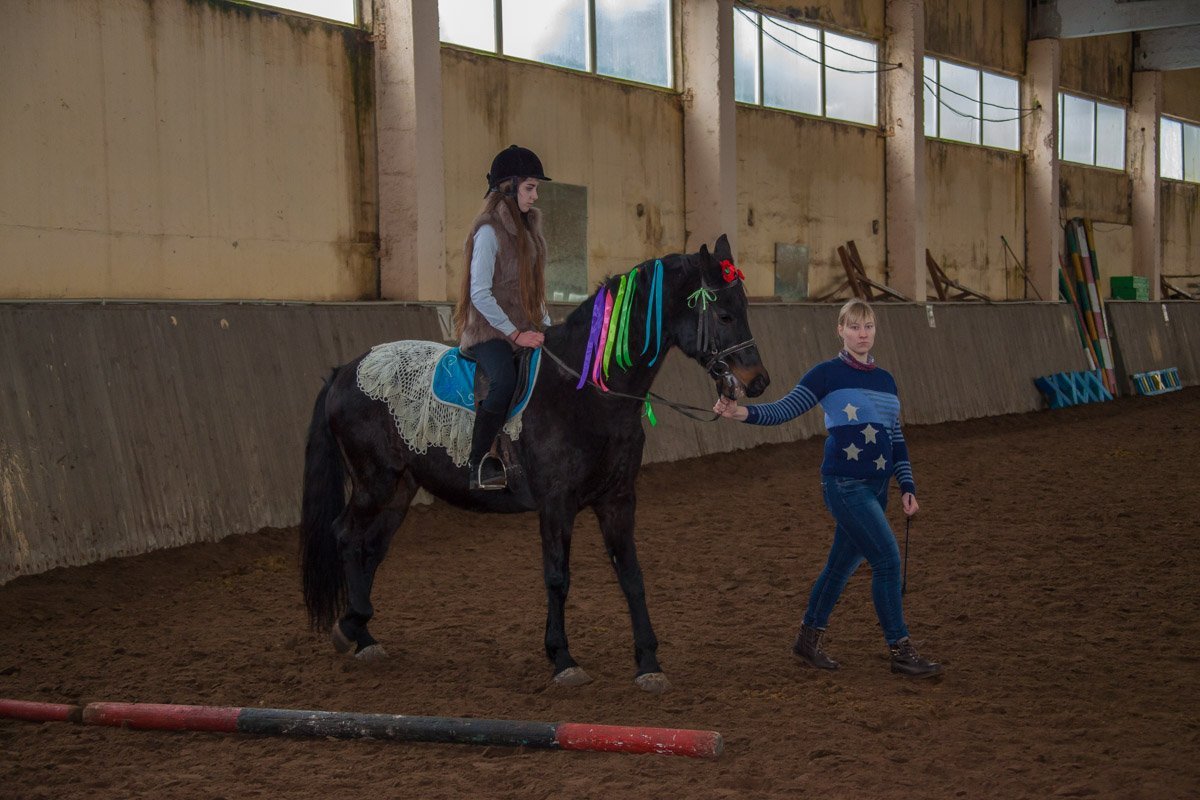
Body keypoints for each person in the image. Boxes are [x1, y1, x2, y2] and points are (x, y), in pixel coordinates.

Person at [713, 299, 942, 677]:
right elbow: (784, 410)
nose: (862, 333)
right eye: (854, 327)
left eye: (867, 326)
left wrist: (907, 484)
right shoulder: (825, 375)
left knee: (840, 566)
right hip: (844, 485)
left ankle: (808, 638)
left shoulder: (886, 380)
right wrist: (740, 412)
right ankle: (900, 648)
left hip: (877, 487)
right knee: (886, 560)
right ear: (840, 330)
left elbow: (895, 436)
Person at [454, 145, 552, 491]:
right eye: (530, 188)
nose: (535, 195)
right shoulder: (488, 232)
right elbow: (480, 293)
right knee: (503, 382)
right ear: (509, 188)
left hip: (522, 327)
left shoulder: (529, 235)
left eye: (535, 188)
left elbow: (532, 291)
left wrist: (547, 327)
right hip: (488, 332)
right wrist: (515, 335)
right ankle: (478, 462)